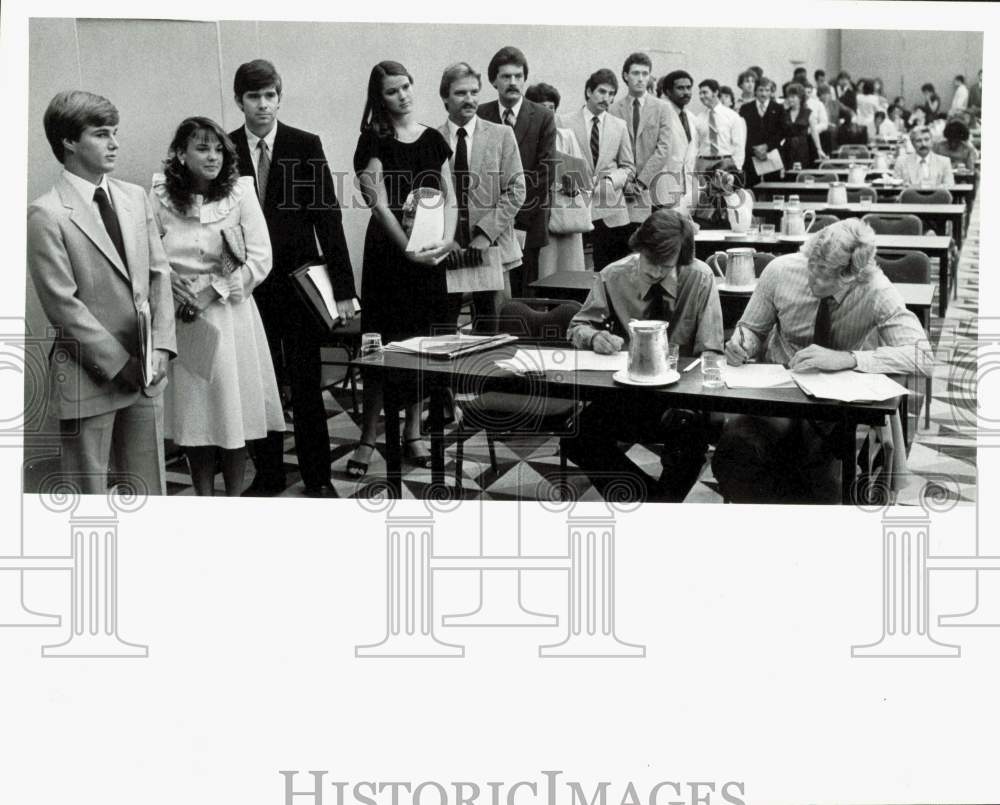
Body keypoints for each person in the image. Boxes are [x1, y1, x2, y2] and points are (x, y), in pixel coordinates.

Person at [712, 219, 932, 504]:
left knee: (823, 479)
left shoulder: (876, 289)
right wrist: (743, 344)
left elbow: (922, 356)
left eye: (823, 275)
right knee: (734, 451)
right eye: (811, 267)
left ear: (852, 275)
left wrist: (847, 358)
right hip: (777, 394)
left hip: (836, 406)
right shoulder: (781, 270)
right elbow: (751, 329)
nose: (812, 279)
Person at [27, 91, 175, 495]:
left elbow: (159, 275)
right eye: (101, 134)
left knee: (149, 489)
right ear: (69, 142)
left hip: (145, 372)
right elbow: (63, 305)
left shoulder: (133, 197)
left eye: (115, 132)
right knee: (89, 495)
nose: (114, 143)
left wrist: (160, 347)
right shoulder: (47, 213)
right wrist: (117, 362)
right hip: (88, 377)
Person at [228, 59, 357, 498]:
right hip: (249, 289)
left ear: (280, 97)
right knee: (260, 384)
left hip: (300, 284)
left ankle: (318, 476)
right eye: (253, 97)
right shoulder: (225, 150)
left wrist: (344, 291)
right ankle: (267, 474)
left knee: (305, 383)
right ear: (239, 101)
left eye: (269, 96)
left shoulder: (305, 144)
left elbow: (328, 217)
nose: (262, 105)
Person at [150, 117, 283, 496]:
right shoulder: (159, 194)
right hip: (180, 317)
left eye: (218, 149)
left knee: (232, 414)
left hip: (230, 314)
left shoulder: (240, 193)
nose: (212, 157)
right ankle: (204, 498)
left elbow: (260, 258)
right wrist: (173, 287)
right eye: (202, 148)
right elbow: (149, 254)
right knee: (196, 418)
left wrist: (211, 292)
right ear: (180, 153)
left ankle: (233, 498)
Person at [563, 209, 723, 502]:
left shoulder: (699, 278)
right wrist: (596, 337)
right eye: (650, 261)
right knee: (576, 436)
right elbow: (577, 326)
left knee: (690, 441)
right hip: (627, 390)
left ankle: (653, 507)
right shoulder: (613, 275)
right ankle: (653, 505)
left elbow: (711, 350)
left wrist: (701, 400)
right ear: (639, 248)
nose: (654, 272)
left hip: (680, 396)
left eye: (665, 266)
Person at [350, 61, 457, 478]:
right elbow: (376, 203)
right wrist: (407, 249)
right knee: (382, 347)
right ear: (381, 98)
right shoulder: (373, 140)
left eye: (407, 86)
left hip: (430, 255)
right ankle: (368, 437)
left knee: (420, 346)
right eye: (393, 90)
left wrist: (446, 241)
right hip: (390, 258)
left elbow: (450, 198)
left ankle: (413, 432)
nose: (404, 95)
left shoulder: (433, 138)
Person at [437, 62, 525, 327]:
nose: (470, 99)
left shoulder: (501, 135)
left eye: (474, 92)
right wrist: (445, 240)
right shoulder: (432, 139)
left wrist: (485, 234)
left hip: (492, 250)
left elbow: (517, 190)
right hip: (448, 255)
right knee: (443, 334)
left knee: (496, 332)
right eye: (461, 93)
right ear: (444, 97)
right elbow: (427, 198)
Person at [478, 47, 557, 297]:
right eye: (505, 76)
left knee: (523, 296)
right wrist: (490, 223)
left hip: (527, 223)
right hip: (485, 223)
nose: (513, 82)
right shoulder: (481, 115)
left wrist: (516, 219)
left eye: (518, 76)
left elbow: (545, 173)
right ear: (493, 80)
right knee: (488, 294)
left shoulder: (542, 116)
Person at [560, 68, 635, 269]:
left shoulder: (619, 126)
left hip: (610, 207)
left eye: (611, 94)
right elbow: (558, 161)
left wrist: (611, 180)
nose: (607, 98)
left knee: (609, 269)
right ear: (588, 92)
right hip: (576, 204)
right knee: (575, 270)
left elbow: (628, 167)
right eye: (602, 92)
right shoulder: (564, 121)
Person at [525, 83, 587, 276]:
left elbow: (581, 175)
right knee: (542, 269)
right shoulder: (526, 137)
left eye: (551, 108)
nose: (547, 113)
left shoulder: (565, 136)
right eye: (542, 108)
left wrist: (573, 185)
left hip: (563, 211)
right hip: (536, 210)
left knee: (567, 270)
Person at [609, 52, 672, 227]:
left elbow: (664, 149)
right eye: (636, 73)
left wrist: (641, 181)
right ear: (626, 76)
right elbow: (612, 150)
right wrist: (627, 181)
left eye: (645, 74)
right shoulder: (613, 109)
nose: (640, 78)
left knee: (656, 241)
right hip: (624, 189)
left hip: (654, 187)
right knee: (628, 241)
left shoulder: (662, 108)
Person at [656, 70, 698, 213]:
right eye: (680, 88)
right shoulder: (659, 113)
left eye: (688, 88)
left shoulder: (691, 117)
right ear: (668, 91)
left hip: (686, 185)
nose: (686, 92)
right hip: (664, 185)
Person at [693, 78, 745, 179]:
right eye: (700, 93)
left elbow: (738, 145)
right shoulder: (698, 119)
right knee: (703, 194)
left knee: (725, 194)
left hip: (725, 163)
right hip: (703, 165)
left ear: (716, 92)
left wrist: (736, 169)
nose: (701, 96)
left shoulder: (732, 116)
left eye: (704, 92)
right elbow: (695, 146)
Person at [740, 75, 784, 187]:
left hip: (771, 155)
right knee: (751, 188)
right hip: (751, 155)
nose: (764, 94)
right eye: (760, 90)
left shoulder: (778, 109)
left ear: (771, 92)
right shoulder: (745, 109)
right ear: (755, 91)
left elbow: (782, 132)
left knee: (773, 188)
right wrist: (754, 148)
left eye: (767, 90)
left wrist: (767, 146)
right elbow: (742, 133)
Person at [781, 83, 826, 168]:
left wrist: (819, 149)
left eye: (793, 97)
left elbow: (814, 132)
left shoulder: (808, 113)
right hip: (787, 148)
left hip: (802, 148)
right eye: (789, 97)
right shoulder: (784, 113)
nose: (790, 100)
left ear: (800, 98)